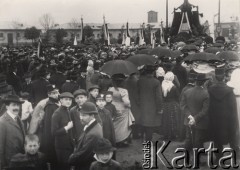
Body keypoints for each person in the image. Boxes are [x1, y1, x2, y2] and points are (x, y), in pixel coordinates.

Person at [209, 68, 239, 161]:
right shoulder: (230, 91)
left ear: (215, 77)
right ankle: (235, 156)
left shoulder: (210, 90)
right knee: (232, 138)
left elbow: (209, 106)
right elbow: (233, 108)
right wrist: (235, 122)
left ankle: (218, 158)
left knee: (216, 139)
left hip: (215, 119)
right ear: (224, 77)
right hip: (227, 119)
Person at [180, 73, 209, 165]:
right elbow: (205, 111)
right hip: (200, 122)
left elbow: (183, 106)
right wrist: (195, 118)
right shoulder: (206, 94)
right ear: (204, 82)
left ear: (195, 81)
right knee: (198, 141)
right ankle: (197, 161)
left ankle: (186, 159)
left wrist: (190, 117)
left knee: (188, 139)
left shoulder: (187, 91)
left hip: (188, 120)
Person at [68, 102, 103, 170]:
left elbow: (84, 154)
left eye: (84, 115)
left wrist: (71, 159)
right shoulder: (90, 126)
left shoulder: (93, 133)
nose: (80, 118)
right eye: (80, 114)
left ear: (92, 116)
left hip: (86, 166)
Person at [137, 65, 163, 141]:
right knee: (150, 124)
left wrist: (138, 103)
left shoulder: (140, 81)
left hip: (142, 105)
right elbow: (158, 97)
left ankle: (141, 136)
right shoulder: (156, 82)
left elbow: (137, 93)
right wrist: (159, 108)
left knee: (143, 121)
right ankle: (148, 140)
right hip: (152, 106)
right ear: (153, 72)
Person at [108, 74, 134, 146]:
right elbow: (126, 102)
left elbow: (107, 99)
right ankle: (120, 140)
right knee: (122, 127)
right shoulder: (123, 91)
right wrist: (129, 105)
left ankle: (114, 139)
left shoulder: (110, 89)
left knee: (114, 124)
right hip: (122, 109)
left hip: (112, 108)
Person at [0, 95, 25, 169]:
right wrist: (3, 165)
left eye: (18, 105)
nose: (16, 108)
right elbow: (0, 147)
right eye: (13, 105)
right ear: (7, 107)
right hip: (10, 162)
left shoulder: (18, 118)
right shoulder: (2, 122)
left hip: (20, 159)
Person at [51, 92, 75, 170]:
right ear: (61, 100)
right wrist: (67, 128)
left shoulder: (67, 110)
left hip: (69, 145)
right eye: (66, 99)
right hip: (62, 147)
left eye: (70, 100)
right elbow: (54, 132)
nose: (68, 101)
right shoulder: (57, 113)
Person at [41, 84, 60, 170]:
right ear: (49, 95)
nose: (56, 94)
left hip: (56, 135)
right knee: (54, 160)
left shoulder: (55, 103)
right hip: (52, 139)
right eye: (53, 93)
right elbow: (48, 126)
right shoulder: (50, 106)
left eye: (57, 92)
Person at [161, 72, 180, 140]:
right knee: (172, 120)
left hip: (164, 104)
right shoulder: (173, 87)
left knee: (165, 120)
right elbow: (177, 96)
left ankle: (165, 135)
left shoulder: (162, 85)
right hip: (172, 104)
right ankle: (173, 135)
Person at [227, 68, 240, 149]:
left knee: (236, 123)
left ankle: (236, 144)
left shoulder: (235, 71)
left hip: (235, 99)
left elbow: (231, 86)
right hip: (236, 98)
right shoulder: (235, 71)